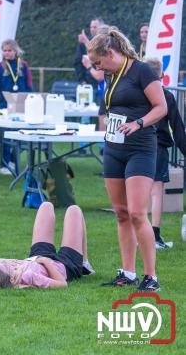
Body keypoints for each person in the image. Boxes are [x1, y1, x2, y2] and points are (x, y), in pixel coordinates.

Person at [87, 27, 167, 292]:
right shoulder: (111, 75)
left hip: (141, 149)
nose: (98, 69)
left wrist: (139, 123)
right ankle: (128, 272)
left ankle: (151, 276)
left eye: (99, 62)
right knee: (121, 213)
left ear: (110, 53)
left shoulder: (142, 71)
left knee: (136, 213)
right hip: (114, 148)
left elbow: (161, 107)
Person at [0, 202, 95, 289]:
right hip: (65, 265)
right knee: (74, 210)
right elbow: (62, 284)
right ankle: (84, 264)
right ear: (11, 277)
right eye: (6, 265)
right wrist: (45, 262)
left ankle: (83, 263)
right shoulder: (30, 276)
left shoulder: (3, 272)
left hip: (37, 256)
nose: (4, 261)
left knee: (46, 206)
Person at [145, 57, 186, 249]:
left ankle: (140, 236)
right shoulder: (167, 96)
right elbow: (178, 128)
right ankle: (154, 236)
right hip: (158, 147)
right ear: (162, 74)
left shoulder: (137, 94)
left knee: (139, 192)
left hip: (137, 148)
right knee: (156, 192)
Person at [0, 39, 33, 176]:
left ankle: (13, 160)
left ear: (15, 51)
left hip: (20, 104)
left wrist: (30, 99)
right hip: (4, 105)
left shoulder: (23, 66)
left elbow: (28, 85)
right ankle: (4, 164)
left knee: (19, 134)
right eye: (4, 50)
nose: (7, 53)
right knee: (4, 135)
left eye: (10, 50)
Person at [74, 17, 105, 104]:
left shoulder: (106, 45)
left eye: (95, 27)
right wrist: (81, 80)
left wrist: (89, 65)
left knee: (101, 112)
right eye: (91, 27)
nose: (92, 29)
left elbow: (100, 76)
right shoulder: (83, 45)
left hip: (102, 86)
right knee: (84, 113)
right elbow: (77, 63)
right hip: (87, 85)